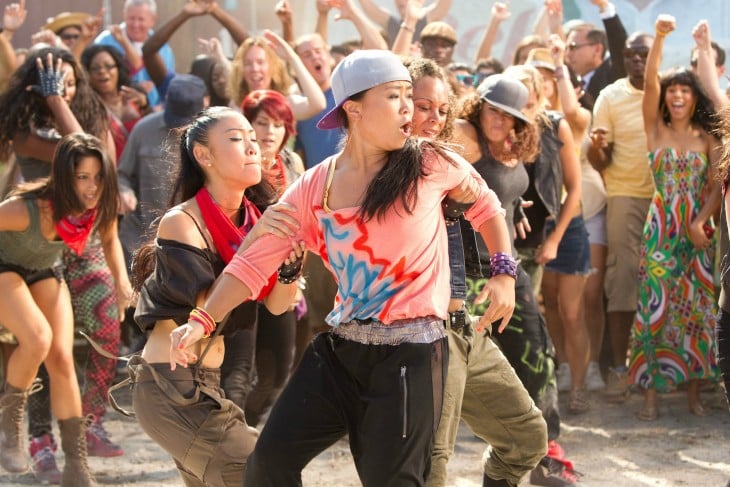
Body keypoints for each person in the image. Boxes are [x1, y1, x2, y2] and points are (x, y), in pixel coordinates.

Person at [169, 49, 517, 487]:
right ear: (353, 108)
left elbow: (485, 205)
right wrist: (202, 320)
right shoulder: (315, 185)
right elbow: (252, 264)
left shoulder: (428, 162)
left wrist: (504, 273)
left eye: (409, 95)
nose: (408, 107)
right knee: (267, 466)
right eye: (394, 96)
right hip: (341, 351)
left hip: (411, 355)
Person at [126, 105, 303, 486]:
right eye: (237, 139)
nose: (252, 147)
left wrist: (288, 266)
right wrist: (258, 242)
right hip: (169, 386)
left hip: (208, 381)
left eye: (253, 139)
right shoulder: (183, 222)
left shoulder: (254, 219)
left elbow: (276, 305)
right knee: (268, 470)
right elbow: (205, 305)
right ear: (203, 156)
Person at [402, 59, 553, 486]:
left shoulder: (444, 158)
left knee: (527, 437)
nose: (434, 119)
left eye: (441, 109)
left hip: (464, 321)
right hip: (419, 332)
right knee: (432, 463)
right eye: (421, 106)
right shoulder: (377, 167)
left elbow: (488, 204)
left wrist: (504, 269)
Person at [0, 132, 126, 487]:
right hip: (4, 264)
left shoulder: (97, 207)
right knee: (37, 339)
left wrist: (122, 284)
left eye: (98, 177)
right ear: (63, 177)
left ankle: (76, 466)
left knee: (61, 357)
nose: (91, 187)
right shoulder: (26, 209)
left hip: (43, 269)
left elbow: (111, 240)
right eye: (81, 177)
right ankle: (9, 428)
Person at [628, 14, 721, 421]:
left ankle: (694, 394)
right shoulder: (655, 130)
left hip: (699, 232)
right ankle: (652, 394)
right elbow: (649, 83)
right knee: (655, 308)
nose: (678, 95)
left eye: (685, 89)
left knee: (697, 309)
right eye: (673, 90)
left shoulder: (707, 137)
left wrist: (702, 220)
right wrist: (661, 39)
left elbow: (720, 185)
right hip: (660, 230)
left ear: (695, 96)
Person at [220, 89, 305, 426]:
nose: (271, 131)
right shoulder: (236, 163)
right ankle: (226, 446)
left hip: (282, 280)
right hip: (240, 273)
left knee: (277, 374)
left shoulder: (292, 164)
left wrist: (297, 275)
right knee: (236, 372)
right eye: (262, 123)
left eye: (279, 124)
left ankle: (244, 431)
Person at [586, 31, 655, 403]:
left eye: (643, 54)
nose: (637, 60)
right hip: (624, 194)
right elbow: (600, 162)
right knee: (624, 277)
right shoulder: (611, 96)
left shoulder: (669, 90)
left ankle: (661, 369)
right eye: (631, 55)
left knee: (665, 282)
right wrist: (597, 148)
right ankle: (618, 368)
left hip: (667, 196)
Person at [227, 31, 326, 121]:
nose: (255, 69)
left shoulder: (285, 104)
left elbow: (318, 105)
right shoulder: (236, 108)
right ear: (240, 70)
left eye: (260, 62)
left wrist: (292, 58)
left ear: (272, 66)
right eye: (247, 63)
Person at [94, 0, 174, 109]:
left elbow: (169, 86)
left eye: (141, 19)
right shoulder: (106, 41)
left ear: (153, 19)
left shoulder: (163, 48)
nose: (135, 24)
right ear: (124, 15)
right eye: (131, 18)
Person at [81, 44, 150, 161]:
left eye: (109, 66)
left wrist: (145, 106)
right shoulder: (87, 106)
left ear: (118, 69)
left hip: (142, 172)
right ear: (88, 74)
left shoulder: (135, 96)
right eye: (95, 68)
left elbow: (154, 131)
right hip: (112, 174)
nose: (102, 71)